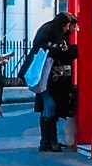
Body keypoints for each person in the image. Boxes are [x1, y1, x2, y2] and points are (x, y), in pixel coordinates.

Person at [29, 14, 77, 152]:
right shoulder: (51, 32)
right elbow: (43, 48)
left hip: (54, 77)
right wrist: (58, 48)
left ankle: (47, 141)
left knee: (50, 107)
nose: (71, 29)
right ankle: (50, 141)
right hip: (46, 76)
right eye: (70, 26)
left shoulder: (57, 33)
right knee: (49, 105)